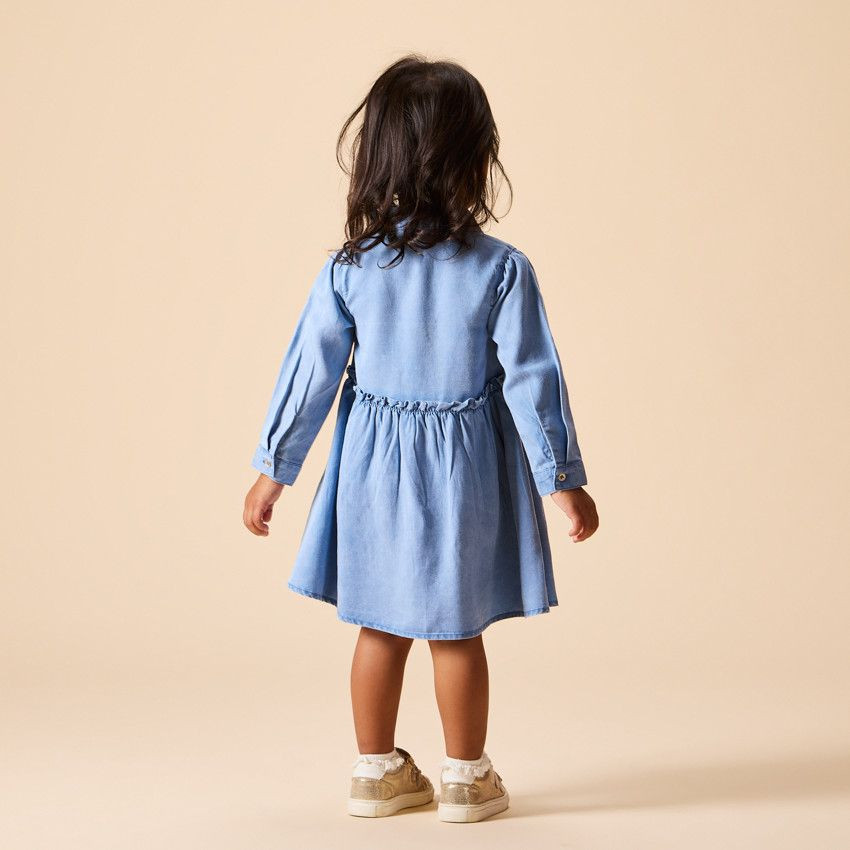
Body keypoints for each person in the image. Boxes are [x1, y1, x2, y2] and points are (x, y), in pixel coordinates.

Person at [243, 54, 599, 823]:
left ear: (377, 156)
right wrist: (562, 480)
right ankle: (466, 778)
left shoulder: (350, 269)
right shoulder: (501, 269)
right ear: (475, 157)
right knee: (455, 629)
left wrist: (274, 471)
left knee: (379, 624)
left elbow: (309, 375)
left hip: (373, 469)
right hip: (463, 473)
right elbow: (534, 380)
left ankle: (376, 773)